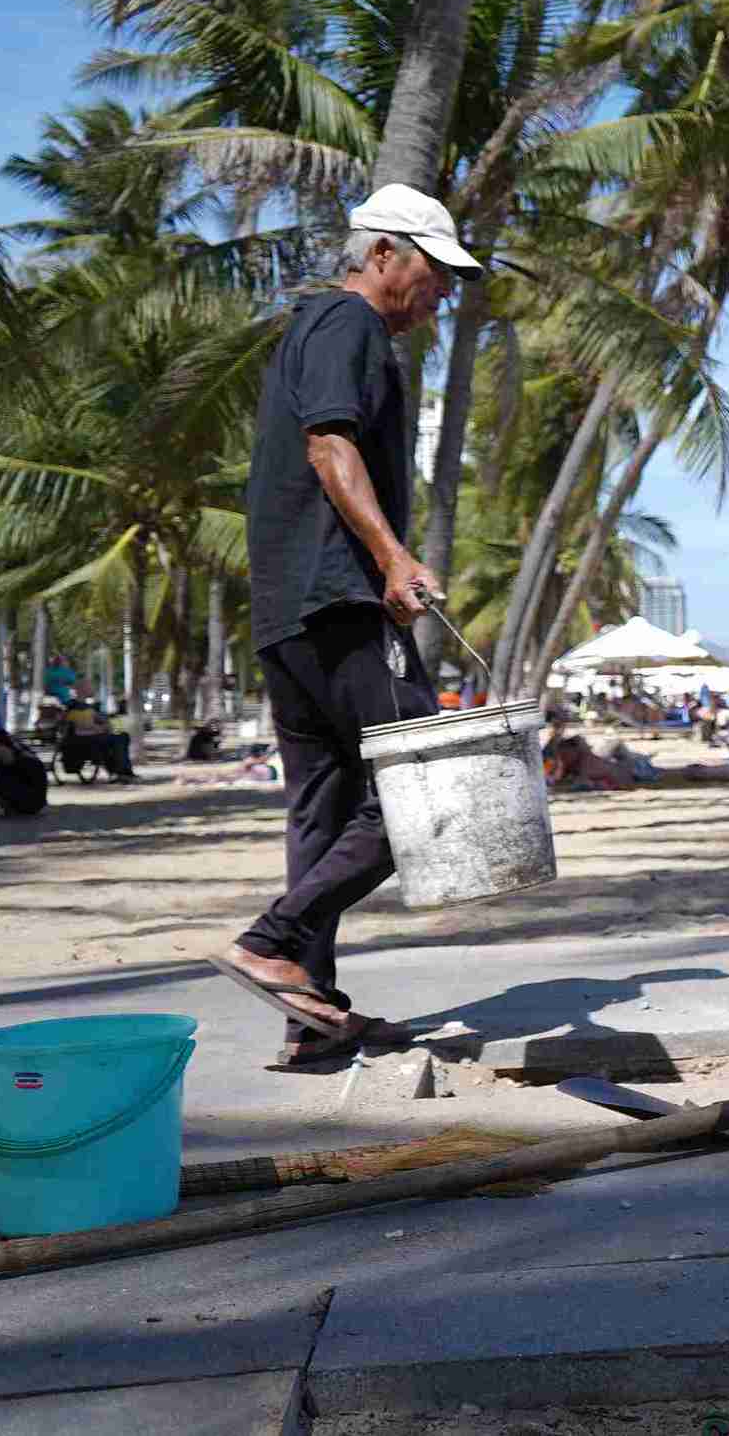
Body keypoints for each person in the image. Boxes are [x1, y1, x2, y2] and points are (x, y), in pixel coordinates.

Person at [210, 183, 479, 1071]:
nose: (442, 295)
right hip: (333, 599)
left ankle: (308, 1009)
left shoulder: (316, 328)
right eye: (437, 275)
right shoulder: (348, 323)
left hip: (289, 609)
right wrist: (393, 559)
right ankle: (271, 939)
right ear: (385, 255)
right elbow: (331, 446)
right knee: (427, 789)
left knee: (322, 813)